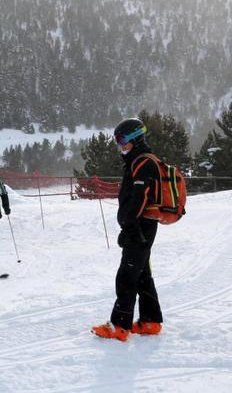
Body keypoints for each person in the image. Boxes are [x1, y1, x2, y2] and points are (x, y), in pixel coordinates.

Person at [92, 118, 164, 341]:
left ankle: (119, 327)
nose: (120, 145)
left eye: (123, 140)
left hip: (140, 226)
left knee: (126, 276)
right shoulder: (137, 161)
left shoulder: (143, 163)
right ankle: (150, 321)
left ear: (136, 138)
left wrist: (130, 227)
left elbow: (139, 199)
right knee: (142, 273)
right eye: (117, 141)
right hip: (142, 225)